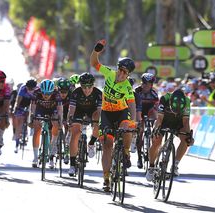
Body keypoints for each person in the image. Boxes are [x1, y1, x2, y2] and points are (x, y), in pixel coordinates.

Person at [90, 39, 137, 192]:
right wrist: (96, 51)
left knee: (128, 127)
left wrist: (134, 120)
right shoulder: (109, 73)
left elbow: (132, 104)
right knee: (107, 145)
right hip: (106, 114)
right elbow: (94, 63)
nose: (122, 75)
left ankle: (126, 152)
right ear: (117, 69)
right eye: (121, 70)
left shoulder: (127, 86)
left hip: (121, 112)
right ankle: (106, 178)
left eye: (126, 73)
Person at [146, 89, 194, 181]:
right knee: (156, 141)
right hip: (164, 121)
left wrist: (188, 136)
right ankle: (151, 167)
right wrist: (156, 130)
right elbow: (159, 119)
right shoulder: (164, 98)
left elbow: (186, 122)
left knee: (186, 139)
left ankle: (175, 165)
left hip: (178, 122)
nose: (175, 112)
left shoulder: (187, 101)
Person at [67, 72, 102, 176]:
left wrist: (100, 122)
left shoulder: (99, 93)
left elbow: (100, 111)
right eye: (84, 87)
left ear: (93, 85)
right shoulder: (76, 93)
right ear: (80, 85)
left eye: (89, 87)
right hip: (79, 111)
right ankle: (72, 165)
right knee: (76, 134)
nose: (87, 90)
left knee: (98, 121)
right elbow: (72, 109)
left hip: (93, 112)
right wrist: (70, 119)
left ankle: (91, 143)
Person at [29, 79, 63, 169]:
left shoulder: (57, 94)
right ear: (41, 90)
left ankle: (53, 148)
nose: (46, 95)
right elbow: (32, 108)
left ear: (52, 91)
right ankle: (35, 157)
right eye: (44, 93)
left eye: (48, 93)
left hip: (53, 110)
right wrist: (31, 118)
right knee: (37, 129)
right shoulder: (36, 92)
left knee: (55, 124)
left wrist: (60, 120)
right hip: (40, 109)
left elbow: (60, 109)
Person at [134, 73, 158, 169]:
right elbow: (133, 106)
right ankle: (139, 157)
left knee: (155, 116)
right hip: (139, 109)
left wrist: (155, 120)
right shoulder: (137, 91)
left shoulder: (154, 93)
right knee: (140, 131)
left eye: (148, 84)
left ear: (152, 85)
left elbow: (156, 106)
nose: (145, 85)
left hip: (149, 110)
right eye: (143, 83)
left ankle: (152, 135)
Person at [12, 78, 37, 153]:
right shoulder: (23, 88)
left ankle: (31, 127)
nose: (29, 89)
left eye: (31, 88)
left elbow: (36, 103)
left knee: (32, 111)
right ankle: (16, 143)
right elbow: (18, 100)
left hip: (33, 102)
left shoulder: (37, 90)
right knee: (19, 122)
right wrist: (16, 108)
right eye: (28, 88)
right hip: (23, 102)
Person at [56, 78, 72, 164]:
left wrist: (67, 120)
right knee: (55, 126)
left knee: (67, 129)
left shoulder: (72, 95)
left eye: (65, 92)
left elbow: (73, 109)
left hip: (67, 112)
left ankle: (66, 152)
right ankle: (55, 146)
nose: (63, 94)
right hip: (58, 112)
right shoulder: (55, 94)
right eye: (61, 91)